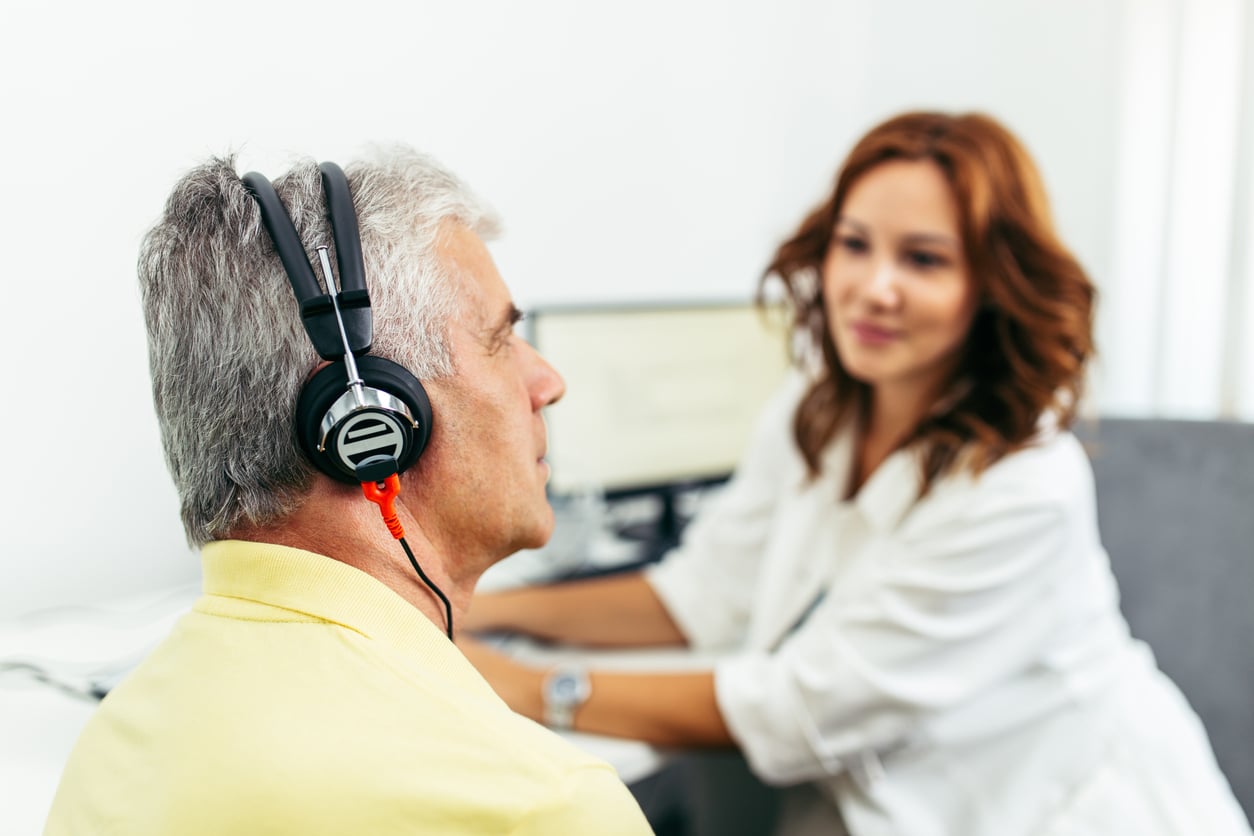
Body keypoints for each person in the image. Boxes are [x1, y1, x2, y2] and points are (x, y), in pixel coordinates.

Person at [460, 112, 1251, 834]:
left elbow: (802, 708)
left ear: (992, 287)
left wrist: (527, 687)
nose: (875, 288)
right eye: (855, 243)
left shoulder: (1026, 487)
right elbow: (705, 594)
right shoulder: (821, 408)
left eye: (924, 259)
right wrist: (484, 614)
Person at [44, 149, 653, 835]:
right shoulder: (538, 804)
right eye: (501, 340)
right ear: (378, 419)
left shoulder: (112, 747)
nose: (547, 382)